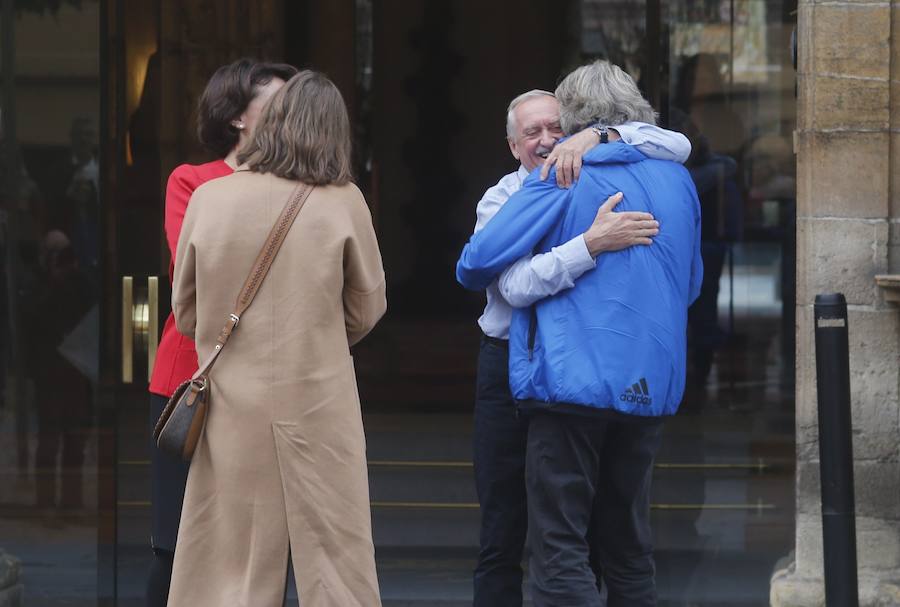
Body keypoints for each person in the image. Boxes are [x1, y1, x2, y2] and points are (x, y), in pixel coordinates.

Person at [457, 60, 703, 606]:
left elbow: (476, 265)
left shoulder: (564, 176)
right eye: (533, 132)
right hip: (648, 379)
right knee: (627, 544)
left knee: (559, 544)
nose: (549, 140)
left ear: (574, 124)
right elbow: (690, 285)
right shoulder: (678, 179)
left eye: (559, 127)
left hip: (570, 379)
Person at [168, 70, 386, 607]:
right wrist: (315, 332)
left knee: (228, 562)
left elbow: (187, 312)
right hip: (318, 398)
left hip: (232, 403)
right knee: (337, 559)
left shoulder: (211, 198)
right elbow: (367, 309)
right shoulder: (344, 200)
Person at [146, 58, 296, 607]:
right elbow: (198, 274)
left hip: (269, 385)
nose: (291, 114)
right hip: (194, 382)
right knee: (176, 544)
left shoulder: (307, 190)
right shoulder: (193, 180)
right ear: (237, 117)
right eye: (278, 102)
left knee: (262, 546)